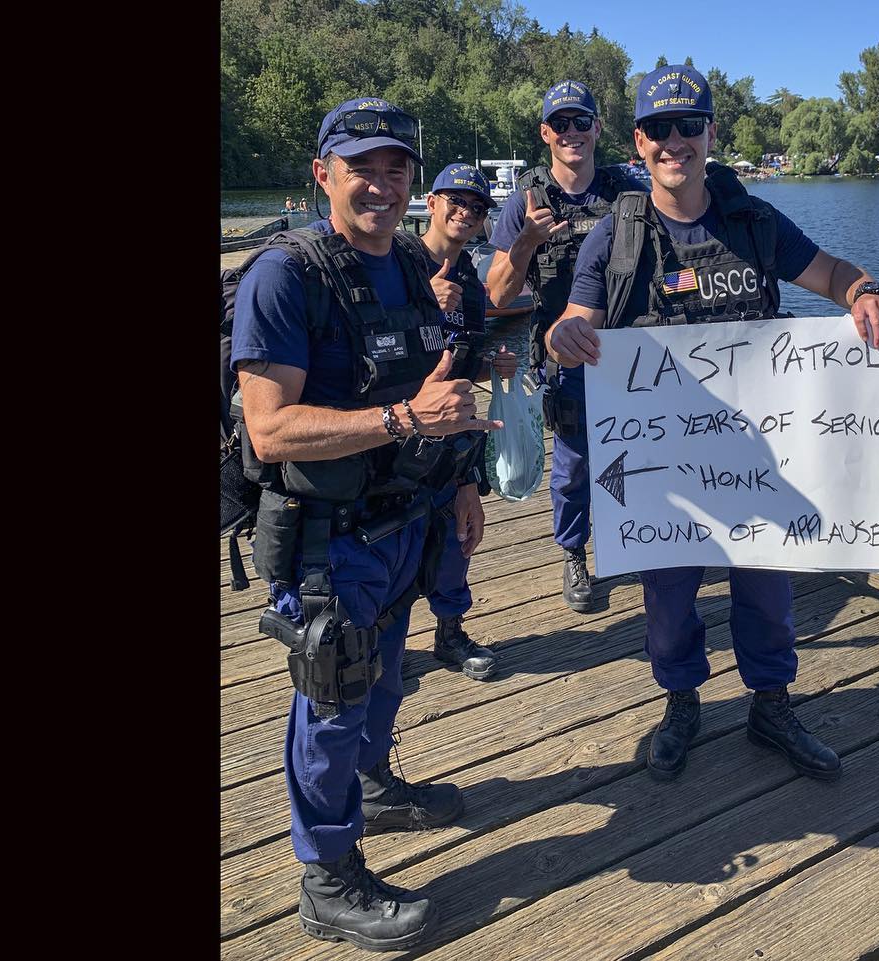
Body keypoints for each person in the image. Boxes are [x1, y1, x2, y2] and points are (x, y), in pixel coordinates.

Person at [545, 65, 879, 784]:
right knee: (668, 598)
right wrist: (563, 337)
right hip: (663, 469)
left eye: (689, 125)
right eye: (659, 128)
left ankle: (772, 703)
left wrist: (863, 290)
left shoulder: (755, 222)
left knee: (768, 589)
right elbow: (572, 323)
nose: (674, 141)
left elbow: (832, 274)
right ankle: (681, 702)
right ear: (638, 141)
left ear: (710, 133)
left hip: (759, 457)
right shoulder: (615, 238)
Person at [230, 97, 503, 951]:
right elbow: (270, 429)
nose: (381, 186)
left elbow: (439, 385)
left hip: (404, 521)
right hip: (327, 539)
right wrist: (403, 420)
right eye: (362, 169)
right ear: (323, 175)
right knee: (333, 699)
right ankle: (326, 878)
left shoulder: (414, 268)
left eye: (396, 169)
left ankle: (376, 787)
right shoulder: (286, 276)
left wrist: (461, 480)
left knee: (384, 681)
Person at [487, 79, 646, 615]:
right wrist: (527, 240)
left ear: (598, 128)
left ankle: (640, 542)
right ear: (545, 133)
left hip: (629, 354)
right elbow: (497, 294)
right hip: (565, 358)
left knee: (639, 452)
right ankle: (574, 552)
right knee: (574, 465)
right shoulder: (527, 200)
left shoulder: (628, 191)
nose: (571, 132)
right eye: (561, 123)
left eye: (582, 121)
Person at [406, 163, 520, 680]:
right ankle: (380, 642)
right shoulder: (397, 264)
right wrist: (424, 303)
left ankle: (450, 633)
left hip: (452, 434)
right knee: (391, 541)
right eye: (456, 201)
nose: (465, 212)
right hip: (396, 428)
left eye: (476, 207)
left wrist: (493, 365)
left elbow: (465, 355)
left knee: (457, 536)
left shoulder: (471, 280)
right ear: (431, 203)